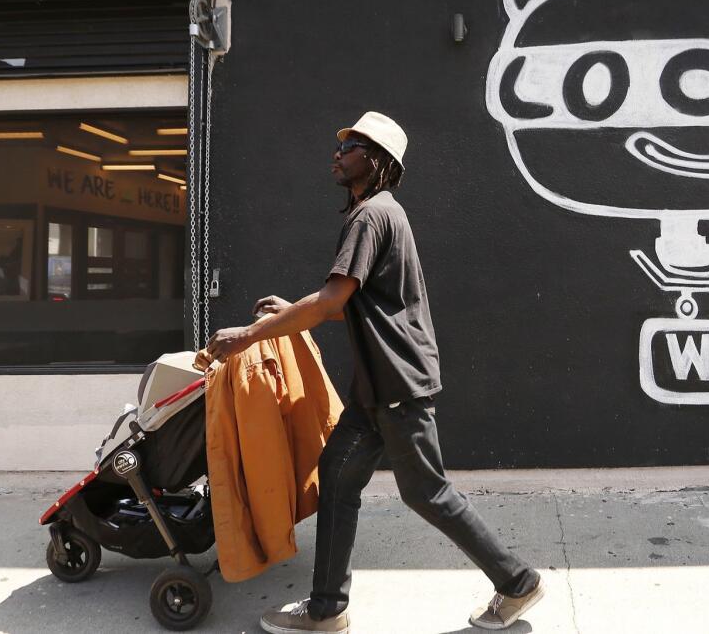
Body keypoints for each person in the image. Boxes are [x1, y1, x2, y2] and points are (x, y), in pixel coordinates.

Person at [205, 111, 544, 633]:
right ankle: (326, 610)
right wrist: (285, 313)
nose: (337, 154)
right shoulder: (379, 214)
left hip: (397, 384)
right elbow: (342, 301)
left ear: (377, 161)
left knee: (427, 492)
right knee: (338, 483)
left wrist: (249, 335)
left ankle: (517, 581)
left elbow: (331, 301)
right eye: (341, 147)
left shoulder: (370, 217)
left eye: (351, 147)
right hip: (376, 388)